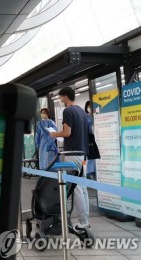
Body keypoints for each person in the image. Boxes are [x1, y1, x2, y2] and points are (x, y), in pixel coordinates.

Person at [50, 87, 90, 230]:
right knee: (83, 187)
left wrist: (54, 134)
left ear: (65, 96)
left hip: (73, 154)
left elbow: (67, 133)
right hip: (84, 154)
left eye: (60, 97)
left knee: (76, 188)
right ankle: (86, 221)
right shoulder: (81, 111)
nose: (60, 99)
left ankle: (83, 221)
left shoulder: (68, 111)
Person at [85, 101, 96, 180]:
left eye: (91, 106)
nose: (89, 108)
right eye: (88, 106)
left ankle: (92, 171)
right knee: (88, 157)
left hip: (95, 137)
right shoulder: (85, 116)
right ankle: (87, 173)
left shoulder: (94, 116)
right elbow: (88, 128)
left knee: (94, 157)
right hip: (88, 138)